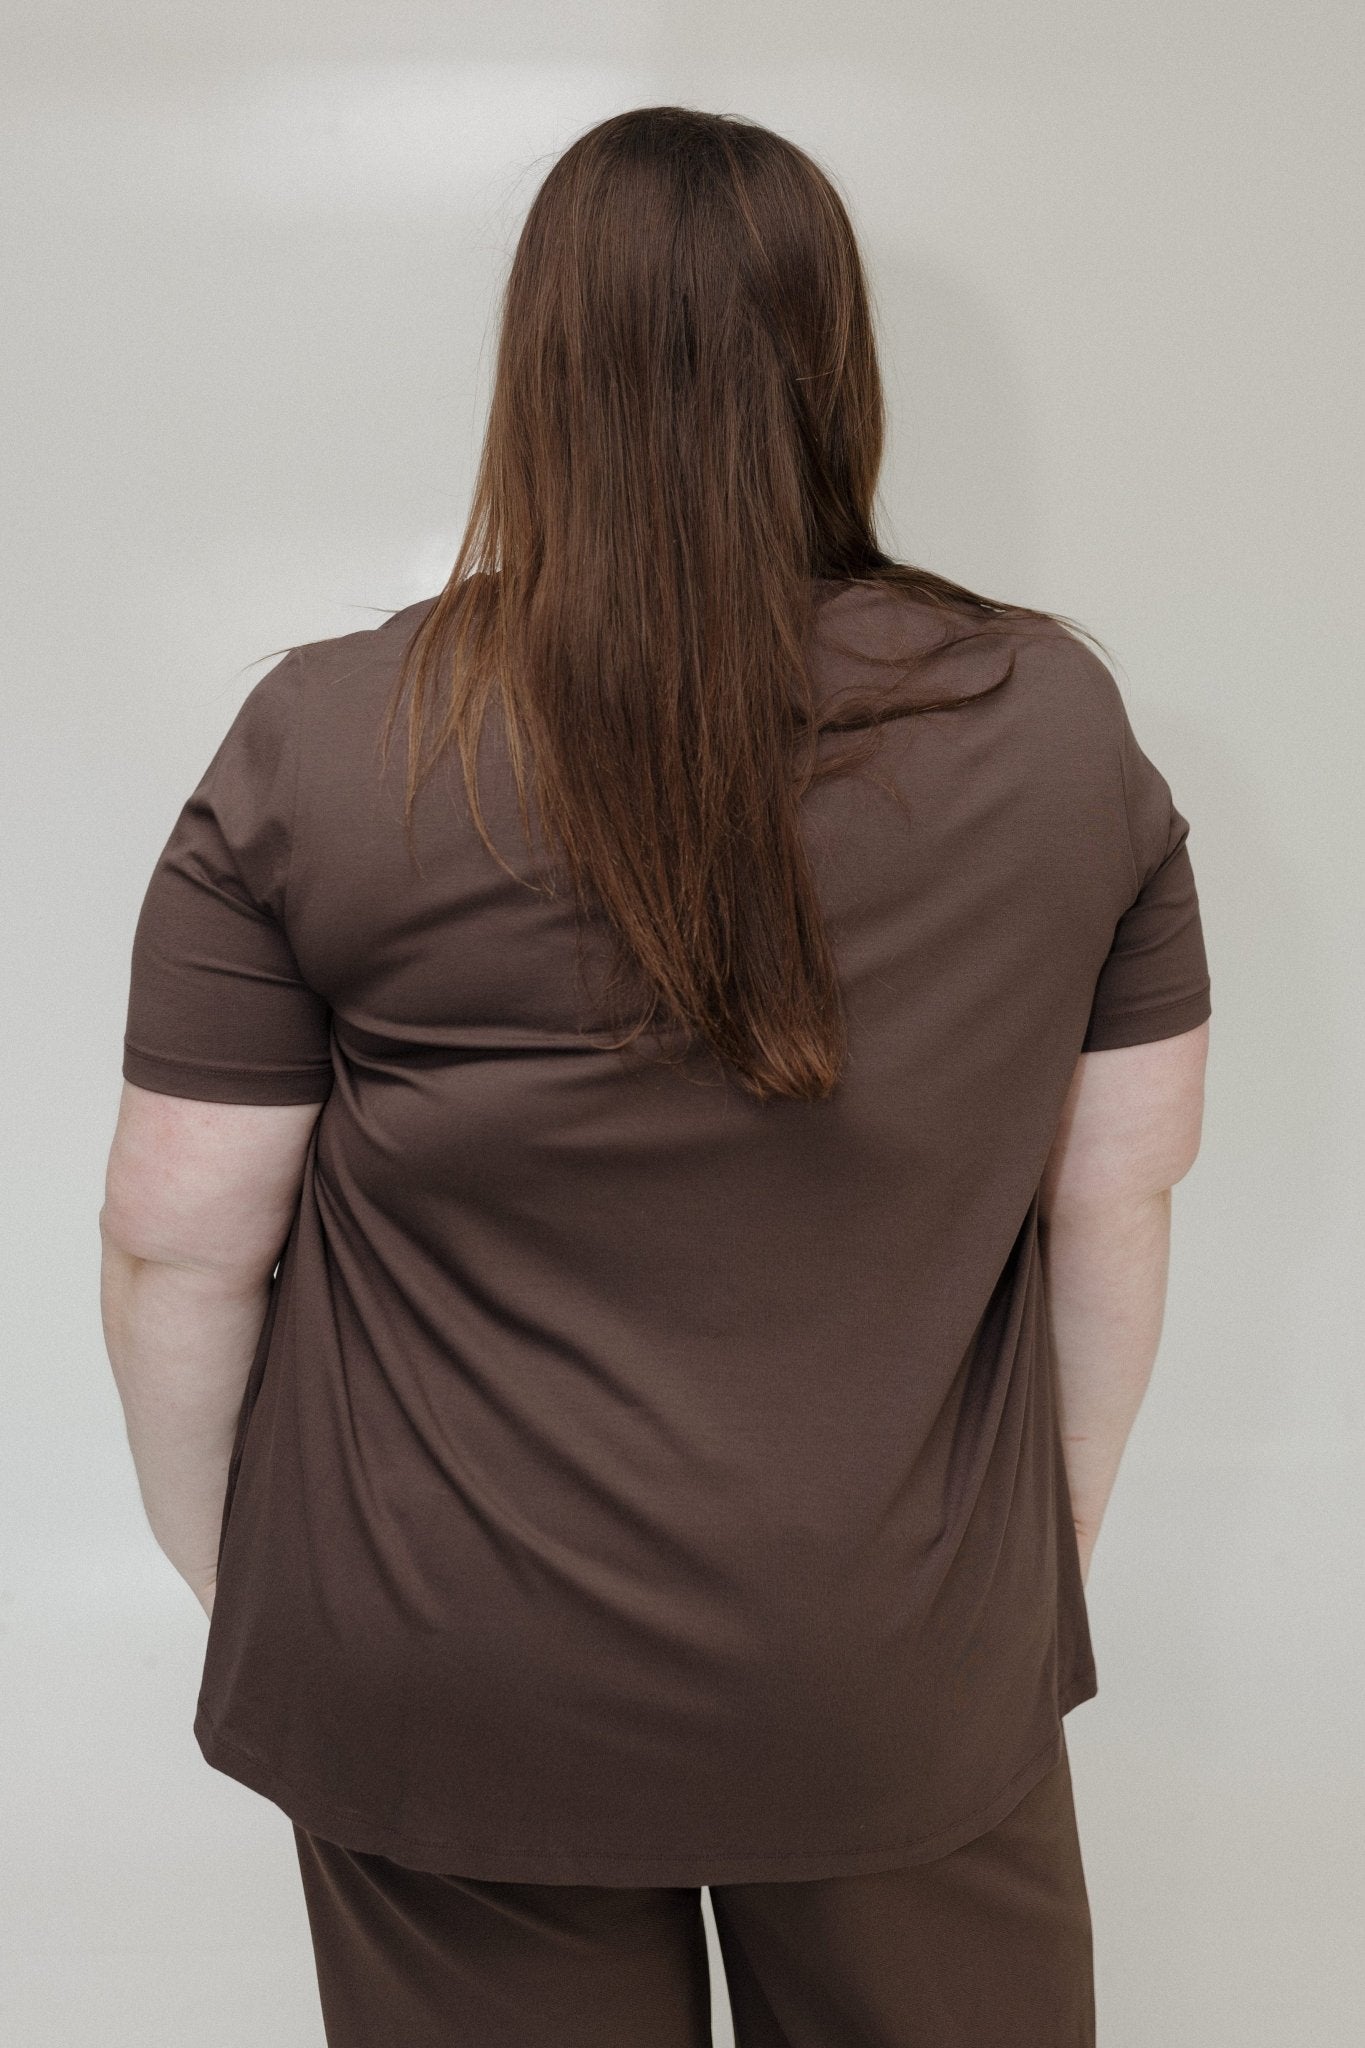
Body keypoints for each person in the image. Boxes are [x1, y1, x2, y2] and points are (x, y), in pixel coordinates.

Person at [99, 105, 1211, 2048]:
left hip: (442, 1655)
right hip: (889, 1654)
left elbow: (174, 1245)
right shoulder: (1052, 727)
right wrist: (990, 1599)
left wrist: (280, 1592)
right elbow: (1113, 1197)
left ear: (538, 369)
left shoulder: (328, 738)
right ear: (833, 361)